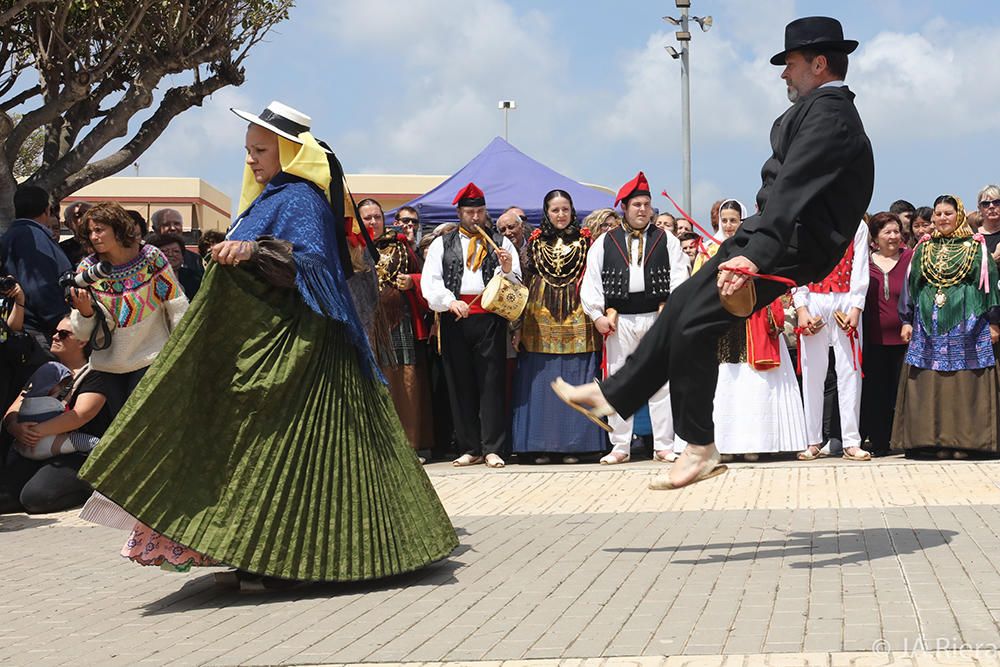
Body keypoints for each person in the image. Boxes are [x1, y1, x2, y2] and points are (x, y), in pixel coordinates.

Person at [77, 100, 457, 588]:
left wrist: (254, 250)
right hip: (284, 347)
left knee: (294, 456)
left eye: (260, 150)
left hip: (307, 352)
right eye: (248, 150)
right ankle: (270, 554)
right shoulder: (272, 197)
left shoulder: (298, 198)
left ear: (289, 152)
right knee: (286, 456)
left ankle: (286, 559)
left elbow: (314, 264)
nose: (251, 160)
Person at [554, 16, 874, 489]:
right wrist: (750, 243)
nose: (783, 74)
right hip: (769, 236)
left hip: (790, 245)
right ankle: (617, 398)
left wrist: (756, 256)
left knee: (696, 322)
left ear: (819, 63)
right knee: (684, 306)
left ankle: (698, 444)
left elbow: (793, 186)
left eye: (790, 63)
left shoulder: (833, 115)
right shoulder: (817, 111)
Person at [578, 172, 689, 464]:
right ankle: (620, 446)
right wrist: (596, 314)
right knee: (618, 380)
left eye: (647, 204)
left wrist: (672, 314)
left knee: (661, 383)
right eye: (637, 204)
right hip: (620, 319)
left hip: (656, 316)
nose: (643, 209)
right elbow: (592, 281)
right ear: (624, 208)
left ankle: (663, 445)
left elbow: (680, 278)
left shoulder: (667, 239)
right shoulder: (605, 241)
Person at [420, 182, 520, 469]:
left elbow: (516, 285)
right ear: (459, 213)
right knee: (460, 383)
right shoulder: (443, 243)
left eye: (479, 211)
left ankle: (493, 448)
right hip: (455, 317)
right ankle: (469, 447)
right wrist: (449, 301)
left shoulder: (501, 243)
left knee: (492, 383)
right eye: (470, 212)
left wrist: (507, 268)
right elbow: (431, 281)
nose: (475, 217)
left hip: (489, 319)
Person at [893, 195, 1000, 459]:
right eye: (937, 214)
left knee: (964, 383)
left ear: (959, 215)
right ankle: (930, 441)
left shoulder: (976, 248)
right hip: (928, 327)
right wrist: (906, 320)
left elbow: (991, 288)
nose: (942, 219)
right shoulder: (923, 248)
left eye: (947, 213)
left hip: (969, 325)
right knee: (931, 381)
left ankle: (967, 442)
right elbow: (912, 287)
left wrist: (995, 322)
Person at [512, 190, 604, 464]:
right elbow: (521, 283)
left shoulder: (588, 242)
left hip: (578, 313)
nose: (561, 215)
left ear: (572, 211)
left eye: (565, 209)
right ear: (546, 213)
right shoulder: (533, 243)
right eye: (555, 210)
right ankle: (541, 445)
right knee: (542, 379)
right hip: (539, 317)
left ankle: (578, 445)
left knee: (578, 374)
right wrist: (516, 326)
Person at [68, 202, 189, 413]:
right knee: (120, 427)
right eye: (90, 232)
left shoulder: (150, 258)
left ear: (118, 227)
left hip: (151, 358)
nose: (94, 236)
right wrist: (84, 310)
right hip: (108, 366)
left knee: (141, 424)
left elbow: (176, 305)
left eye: (99, 229)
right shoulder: (88, 269)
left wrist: (182, 351)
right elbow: (82, 332)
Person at [0, 317, 115, 514]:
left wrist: (36, 431)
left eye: (63, 334)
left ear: (82, 341)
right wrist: (15, 427)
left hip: (76, 451)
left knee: (36, 499)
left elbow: (80, 415)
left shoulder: (95, 373)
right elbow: (15, 406)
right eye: (55, 332)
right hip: (35, 447)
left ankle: (92, 486)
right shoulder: (47, 371)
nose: (55, 336)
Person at [360, 197, 434, 454]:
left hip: (398, 319)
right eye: (367, 217)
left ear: (384, 219)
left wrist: (412, 281)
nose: (372, 222)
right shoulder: (350, 247)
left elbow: (426, 277)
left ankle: (409, 444)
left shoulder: (401, 247)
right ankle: (374, 446)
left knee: (405, 379)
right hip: (364, 320)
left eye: (376, 217)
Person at [794, 219, 870, 462]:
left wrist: (856, 307)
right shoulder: (806, 221)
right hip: (814, 296)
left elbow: (860, 267)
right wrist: (801, 308)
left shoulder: (856, 224)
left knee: (849, 371)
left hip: (845, 296)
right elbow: (799, 264)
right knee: (812, 373)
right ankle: (812, 440)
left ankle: (851, 440)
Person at [860, 212, 912, 457]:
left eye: (896, 231)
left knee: (902, 391)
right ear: (875, 238)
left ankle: (903, 439)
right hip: (873, 340)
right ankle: (879, 441)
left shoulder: (911, 258)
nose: (893, 237)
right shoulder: (864, 263)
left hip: (905, 339)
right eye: (887, 232)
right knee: (876, 391)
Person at [0, 185, 72, 348]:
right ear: (47, 210)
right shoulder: (32, 237)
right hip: (39, 334)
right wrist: (63, 322)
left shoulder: (13, 235)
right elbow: (40, 286)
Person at [151, 208, 204, 278]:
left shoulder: (194, 259)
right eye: (166, 224)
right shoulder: (146, 257)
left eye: (176, 224)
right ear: (155, 228)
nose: (173, 228)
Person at [146, 232, 201, 299]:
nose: (170, 254)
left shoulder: (195, 279)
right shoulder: (145, 280)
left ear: (183, 257)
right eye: (164, 251)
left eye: (176, 251)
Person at [59, 201, 92, 266]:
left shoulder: (108, 244)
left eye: (88, 214)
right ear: (67, 224)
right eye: (78, 215)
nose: (85, 218)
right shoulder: (61, 250)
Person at [975, 185, 1000, 258]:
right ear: (979, 208)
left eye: (996, 202)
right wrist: (994, 257)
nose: (991, 206)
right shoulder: (971, 236)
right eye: (986, 204)